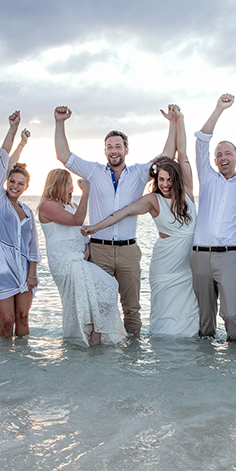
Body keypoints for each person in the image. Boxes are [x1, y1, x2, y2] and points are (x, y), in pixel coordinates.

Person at [82, 105, 199, 337]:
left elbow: (180, 152)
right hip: (164, 264)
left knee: (185, 314)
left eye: (168, 179)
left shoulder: (188, 193)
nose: (164, 183)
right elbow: (123, 212)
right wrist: (94, 227)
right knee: (161, 315)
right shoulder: (152, 200)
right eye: (161, 179)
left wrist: (177, 120)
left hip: (186, 266)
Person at [54, 106, 166, 337]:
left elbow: (166, 157)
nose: (113, 150)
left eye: (118, 146)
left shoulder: (139, 173)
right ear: (104, 150)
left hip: (129, 251)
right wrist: (59, 122)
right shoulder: (94, 171)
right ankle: (102, 363)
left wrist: (174, 123)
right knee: (101, 306)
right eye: (109, 146)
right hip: (99, 250)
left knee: (132, 308)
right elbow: (63, 155)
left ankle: (131, 360)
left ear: (126, 149)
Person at [39, 170, 126, 345]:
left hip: (78, 258)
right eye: (68, 183)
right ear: (58, 184)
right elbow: (77, 221)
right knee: (106, 287)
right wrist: (87, 192)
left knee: (101, 293)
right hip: (65, 261)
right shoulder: (47, 205)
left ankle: (94, 336)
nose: (72, 187)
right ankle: (90, 338)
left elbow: (79, 231)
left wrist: (86, 248)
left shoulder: (71, 205)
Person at [191, 94, 236, 341]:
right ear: (215, 161)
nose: (223, 157)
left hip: (229, 256)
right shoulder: (206, 178)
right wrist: (219, 109)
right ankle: (206, 371)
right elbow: (201, 142)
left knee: (230, 313)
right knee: (205, 318)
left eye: (228, 153)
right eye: (219, 154)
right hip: (199, 255)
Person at [0, 113, 38, 338]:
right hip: (1, 269)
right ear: (6, 182)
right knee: (7, 321)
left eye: (21, 184)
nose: (15, 186)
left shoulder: (27, 211)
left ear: (26, 187)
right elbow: (2, 162)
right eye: (12, 181)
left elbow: (33, 246)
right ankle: (5, 365)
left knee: (23, 318)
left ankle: (23, 366)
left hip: (24, 270)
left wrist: (32, 275)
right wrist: (14, 133)